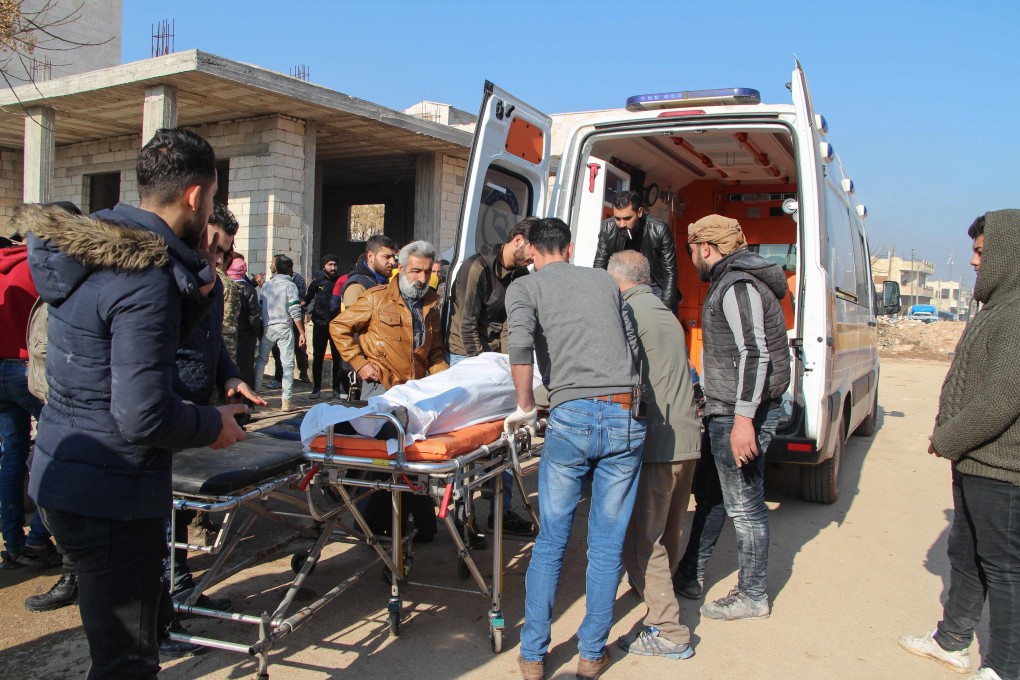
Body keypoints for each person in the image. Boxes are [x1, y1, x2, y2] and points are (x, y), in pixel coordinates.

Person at [24, 127, 248, 679]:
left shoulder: (96, 247)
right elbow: (142, 412)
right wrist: (211, 424)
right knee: (127, 663)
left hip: (68, 472)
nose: (211, 211)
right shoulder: (143, 275)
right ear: (194, 196)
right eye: (212, 198)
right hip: (113, 493)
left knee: (116, 651)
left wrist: (196, 291)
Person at [505, 218, 646, 680]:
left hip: (571, 416)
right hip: (624, 414)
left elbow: (520, 347)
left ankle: (532, 656)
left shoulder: (525, 287)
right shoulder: (605, 281)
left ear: (531, 252)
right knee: (606, 544)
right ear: (568, 248)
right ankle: (591, 655)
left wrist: (525, 407)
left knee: (551, 540)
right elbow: (633, 346)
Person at [899, 210, 1020, 680]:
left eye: (981, 252)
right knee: (965, 556)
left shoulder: (1016, 314)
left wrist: (947, 437)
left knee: (1004, 570)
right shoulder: (998, 308)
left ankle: (1006, 667)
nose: (973, 261)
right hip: (975, 461)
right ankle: (952, 642)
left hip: (1001, 469)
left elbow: (1001, 400)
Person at [673, 214, 789, 622]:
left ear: (706, 248)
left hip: (741, 415)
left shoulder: (739, 285)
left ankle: (753, 594)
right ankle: (689, 574)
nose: (691, 258)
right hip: (723, 410)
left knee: (745, 505)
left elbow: (754, 353)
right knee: (711, 495)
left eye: (692, 250)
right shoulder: (732, 280)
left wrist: (743, 421)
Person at [606, 251, 702, 660]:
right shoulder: (664, 312)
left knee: (641, 540)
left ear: (617, 280)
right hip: (686, 439)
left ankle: (668, 630)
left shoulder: (627, 313)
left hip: (658, 445)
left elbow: (615, 373)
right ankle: (655, 591)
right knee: (667, 530)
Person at [446, 217, 538, 537]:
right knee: (467, 441)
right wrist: (482, 368)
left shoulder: (521, 275)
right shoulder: (476, 268)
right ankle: (464, 515)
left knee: (506, 436)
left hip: (498, 358)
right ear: (517, 240)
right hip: (467, 355)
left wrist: (514, 365)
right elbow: (465, 323)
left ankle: (500, 512)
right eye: (532, 250)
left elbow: (514, 325)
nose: (534, 258)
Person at [0, 210, 65, 570]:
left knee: (11, 455)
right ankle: (39, 538)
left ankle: (12, 541)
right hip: (30, 371)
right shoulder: (40, 266)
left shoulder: (4, 264)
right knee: (48, 451)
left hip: (0, 370)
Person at [330, 240, 447, 399]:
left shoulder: (431, 305)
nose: (422, 278)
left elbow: (435, 353)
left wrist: (447, 381)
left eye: (427, 272)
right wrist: (359, 363)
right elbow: (338, 326)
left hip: (414, 390)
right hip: (381, 385)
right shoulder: (376, 298)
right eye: (416, 271)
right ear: (401, 268)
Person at [593, 190, 679, 313]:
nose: (622, 224)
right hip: (622, 283)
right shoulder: (608, 228)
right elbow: (599, 266)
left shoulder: (659, 229)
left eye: (627, 218)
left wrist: (665, 307)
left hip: (655, 285)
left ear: (640, 212)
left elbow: (670, 272)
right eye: (617, 218)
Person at [255, 254, 306, 412]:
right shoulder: (290, 286)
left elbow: (261, 306)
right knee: (287, 364)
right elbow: (295, 310)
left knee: (261, 361)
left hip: (268, 327)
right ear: (290, 269)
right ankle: (286, 400)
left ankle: (255, 394)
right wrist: (301, 332)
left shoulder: (267, 286)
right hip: (284, 327)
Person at [303, 253, 346, 399]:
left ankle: (336, 388)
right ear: (324, 266)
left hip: (336, 325)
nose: (333, 267)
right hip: (320, 324)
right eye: (330, 265)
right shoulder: (317, 282)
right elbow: (307, 298)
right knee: (318, 357)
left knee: (337, 357)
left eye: (335, 265)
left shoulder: (341, 281)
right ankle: (316, 388)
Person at [226, 254, 264, 388]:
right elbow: (254, 314)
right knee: (246, 365)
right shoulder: (248, 289)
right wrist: (254, 331)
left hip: (227, 332)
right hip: (245, 334)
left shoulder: (225, 286)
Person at [336, 234, 398, 312]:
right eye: (386, 257)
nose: (393, 262)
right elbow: (353, 319)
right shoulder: (356, 286)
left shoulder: (384, 281)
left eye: (393, 257)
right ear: (370, 256)